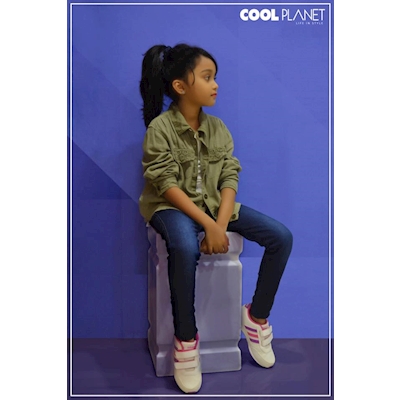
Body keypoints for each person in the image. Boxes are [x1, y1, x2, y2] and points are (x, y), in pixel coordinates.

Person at [138, 43, 293, 394]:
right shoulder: (160, 128)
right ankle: (186, 341)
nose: (215, 84)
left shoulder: (218, 128)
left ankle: (255, 318)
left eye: (215, 77)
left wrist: (219, 225)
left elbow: (229, 177)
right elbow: (166, 185)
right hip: (171, 208)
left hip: (214, 207)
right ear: (180, 86)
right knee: (183, 246)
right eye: (207, 77)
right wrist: (207, 225)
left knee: (281, 237)